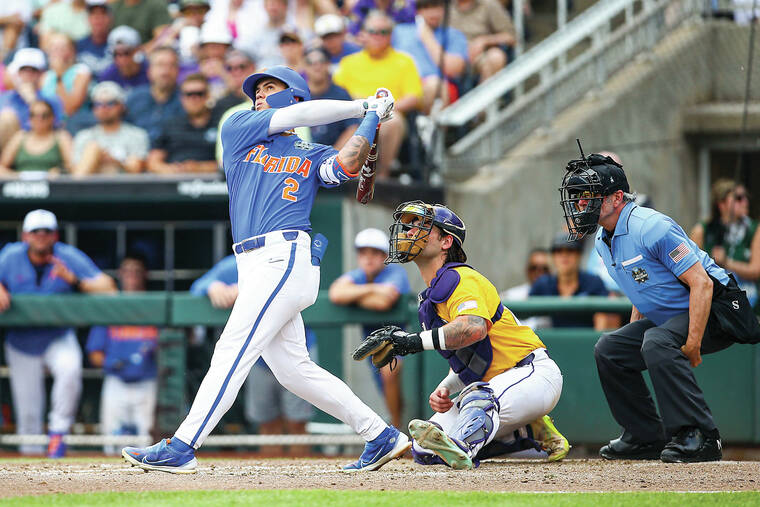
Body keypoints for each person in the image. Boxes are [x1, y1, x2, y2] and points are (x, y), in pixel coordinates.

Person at [122, 65, 409, 473]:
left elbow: (345, 165)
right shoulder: (239, 127)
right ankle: (381, 436)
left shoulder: (310, 153)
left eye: (270, 87)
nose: (258, 94)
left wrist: (369, 119)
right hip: (253, 262)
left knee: (231, 350)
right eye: (257, 89)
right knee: (294, 371)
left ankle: (183, 445)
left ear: (294, 94)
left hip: (285, 255)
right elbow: (299, 117)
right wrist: (364, 104)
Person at [559, 153, 760, 463]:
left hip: (718, 307)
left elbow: (702, 284)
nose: (582, 204)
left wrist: (692, 342)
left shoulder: (651, 226)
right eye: (580, 197)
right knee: (609, 347)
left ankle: (701, 436)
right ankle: (643, 437)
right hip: (675, 314)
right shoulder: (602, 239)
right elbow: (642, 293)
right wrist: (632, 333)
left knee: (657, 342)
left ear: (616, 198)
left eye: (590, 196)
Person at [356, 201, 569, 470]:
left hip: (532, 373)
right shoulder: (430, 301)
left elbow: (474, 328)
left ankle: (463, 446)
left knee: (477, 401)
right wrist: (447, 386)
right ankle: (528, 433)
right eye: (409, 225)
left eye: (421, 226)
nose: (410, 231)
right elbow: (474, 359)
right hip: (499, 385)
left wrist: (410, 342)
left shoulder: (461, 278)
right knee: (423, 448)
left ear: (446, 242)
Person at [0, 209, 117, 457]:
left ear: (55, 235)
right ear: (25, 236)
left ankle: (58, 434)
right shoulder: (11, 255)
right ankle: (31, 465)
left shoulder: (67, 257)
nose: (41, 236)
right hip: (21, 342)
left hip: (57, 336)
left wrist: (75, 280)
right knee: (28, 411)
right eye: (35, 232)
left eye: (46, 231)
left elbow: (109, 288)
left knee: (69, 368)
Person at [190, 255, 316, 457]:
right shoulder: (239, 262)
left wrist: (250, 291)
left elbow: (303, 291)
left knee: (297, 424)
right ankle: (272, 484)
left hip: (296, 352)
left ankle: (303, 481)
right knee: (267, 424)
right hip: (259, 357)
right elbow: (198, 286)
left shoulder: (289, 255)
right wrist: (213, 286)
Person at [328, 228, 411, 428]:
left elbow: (383, 302)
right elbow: (336, 294)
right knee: (387, 385)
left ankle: (397, 428)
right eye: (363, 253)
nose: (368, 259)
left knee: (390, 374)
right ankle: (399, 430)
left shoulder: (395, 272)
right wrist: (372, 290)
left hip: (404, 344)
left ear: (384, 256)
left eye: (374, 253)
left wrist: (354, 297)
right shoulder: (359, 276)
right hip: (375, 348)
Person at [333, 11, 423, 179]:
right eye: (373, 31)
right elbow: (335, 92)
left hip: (387, 116)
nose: (378, 36)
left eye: (384, 32)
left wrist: (381, 108)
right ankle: (336, 174)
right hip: (354, 114)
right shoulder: (349, 62)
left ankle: (380, 176)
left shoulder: (404, 61)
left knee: (392, 121)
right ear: (364, 34)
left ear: (391, 35)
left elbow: (414, 98)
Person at [86, 254, 158, 455]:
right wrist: (111, 363)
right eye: (127, 270)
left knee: (146, 442)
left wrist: (154, 351)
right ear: (120, 274)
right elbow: (94, 353)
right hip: (115, 383)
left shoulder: (155, 306)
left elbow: (173, 347)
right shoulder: (111, 307)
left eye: (137, 270)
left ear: (145, 274)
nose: (132, 275)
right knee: (112, 443)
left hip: (147, 382)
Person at [690, 179, 760, 307]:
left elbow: (756, 270)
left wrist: (727, 263)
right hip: (714, 304)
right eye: (738, 198)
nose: (745, 202)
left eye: (746, 197)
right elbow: (691, 270)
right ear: (721, 204)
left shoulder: (754, 229)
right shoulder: (702, 231)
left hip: (750, 303)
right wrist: (711, 262)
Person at [392, 0, 469, 113]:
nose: (433, 13)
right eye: (426, 8)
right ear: (418, 11)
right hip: (402, 87)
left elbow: (453, 69)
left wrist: (427, 38)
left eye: (437, 7)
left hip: (438, 87)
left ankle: (436, 129)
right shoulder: (400, 31)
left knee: (434, 84)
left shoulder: (453, 35)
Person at [529, 233, 613, 330]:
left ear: (579, 255)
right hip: (549, 342)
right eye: (559, 251)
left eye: (570, 250)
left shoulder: (593, 282)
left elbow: (601, 322)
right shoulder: (542, 284)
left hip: (586, 341)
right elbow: (529, 317)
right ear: (552, 257)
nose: (564, 256)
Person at [146, 73, 222, 174]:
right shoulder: (170, 124)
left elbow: (232, 161)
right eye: (189, 94)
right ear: (182, 98)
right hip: (174, 182)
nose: (194, 99)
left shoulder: (221, 123)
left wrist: (200, 168)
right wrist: (170, 170)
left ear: (208, 95)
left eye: (199, 94)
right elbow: (153, 161)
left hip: (215, 184)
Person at [72, 81, 149, 176]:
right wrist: (96, 158)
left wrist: (113, 161)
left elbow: (137, 168)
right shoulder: (83, 136)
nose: (104, 108)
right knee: (93, 149)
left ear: (121, 106)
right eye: (98, 104)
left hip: (125, 187)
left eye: (110, 103)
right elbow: (75, 171)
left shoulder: (137, 135)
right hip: (91, 187)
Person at [0, 48, 64, 148]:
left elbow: (57, 130)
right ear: (18, 73)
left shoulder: (52, 99)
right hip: (6, 148)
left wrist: (33, 102)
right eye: (24, 70)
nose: (28, 74)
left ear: (41, 73)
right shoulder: (4, 97)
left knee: (7, 118)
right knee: (7, 118)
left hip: (38, 146)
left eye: (33, 70)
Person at [303, 46, 358, 149]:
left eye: (321, 61)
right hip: (304, 156)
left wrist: (333, 156)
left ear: (328, 64)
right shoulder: (298, 95)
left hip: (336, 155)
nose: (316, 66)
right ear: (304, 66)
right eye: (310, 62)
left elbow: (352, 127)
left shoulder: (341, 94)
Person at [0, 100, 73, 177]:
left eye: (44, 115)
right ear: (29, 118)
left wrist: (60, 171)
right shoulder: (20, 137)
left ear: (52, 118)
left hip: (52, 185)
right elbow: (2, 166)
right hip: (20, 184)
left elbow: (71, 165)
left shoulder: (61, 137)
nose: (39, 119)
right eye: (33, 115)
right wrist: (17, 176)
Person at [450, 0, 515, 83]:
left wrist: (484, 40)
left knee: (496, 57)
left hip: (479, 56)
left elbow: (511, 36)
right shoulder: (445, 8)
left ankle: (485, 95)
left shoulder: (488, 5)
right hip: (451, 56)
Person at [125, 47, 184, 139]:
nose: (166, 71)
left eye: (172, 65)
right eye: (160, 65)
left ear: (178, 70)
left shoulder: (187, 99)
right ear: (149, 71)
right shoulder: (134, 98)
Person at [40, 32, 93, 120]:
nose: (57, 51)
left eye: (62, 47)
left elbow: (69, 109)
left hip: (74, 121)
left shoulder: (81, 71)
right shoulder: (45, 77)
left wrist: (59, 75)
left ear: (72, 51)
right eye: (54, 47)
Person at [499, 247, 550, 330]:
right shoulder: (512, 296)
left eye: (544, 269)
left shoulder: (557, 294)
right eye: (534, 268)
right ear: (527, 270)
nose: (538, 273)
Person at [99, 26, 149, 93]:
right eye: (116, 53)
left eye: (126, 53)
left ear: (137, 51)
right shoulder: (107, 76)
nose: (121, 58)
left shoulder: (150, 72)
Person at [77, 0, 114, 77]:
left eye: (103, 13)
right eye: (93, 13)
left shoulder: (118, 44)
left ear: (110, 18)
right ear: (88, 19)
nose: (98, 17)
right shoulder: (79, 45)